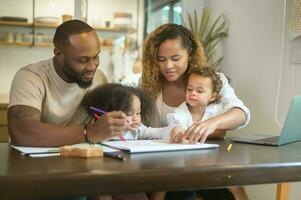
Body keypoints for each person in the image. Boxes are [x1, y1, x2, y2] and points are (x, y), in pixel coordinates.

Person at [141, 23, 250, 200]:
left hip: (209, 163)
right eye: (161, 59)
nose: (168, 66)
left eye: (176, 58)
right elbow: (143, 130)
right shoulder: (149, 85)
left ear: (190, 54)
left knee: (228, 191)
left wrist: (212, 123)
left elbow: (241, 114)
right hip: (165, 166)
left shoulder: (212, 81)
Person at [7, 20, 127, 147]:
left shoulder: (99, 78)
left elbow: (105, 122)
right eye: (82, 60)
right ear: (59, 54)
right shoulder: (31, 77)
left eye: (96, 57)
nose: (92, 67)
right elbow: (23, 133)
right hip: (31, 162)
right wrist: (89, 132)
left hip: (80, 158)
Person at [82, 83, 183, 200]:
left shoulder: (137, 130)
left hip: (129, 180)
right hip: (105, 178)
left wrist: (174, 129)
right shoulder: (101, 131)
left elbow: (156, 132)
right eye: (129, 114)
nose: (136, 118)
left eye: (138, 112)